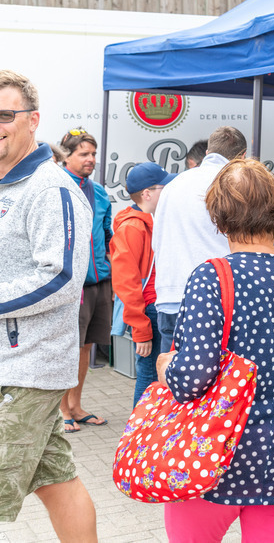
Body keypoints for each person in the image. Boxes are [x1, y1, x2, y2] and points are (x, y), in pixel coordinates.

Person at [156, 158, 274, 542]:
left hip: (218, 452)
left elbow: (191, 380)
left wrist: (166, 365)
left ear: (218, 219)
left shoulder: (211, 276)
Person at [0, 70, 97, 538]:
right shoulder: (0, 187)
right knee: (57, 480)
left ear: (33, 121)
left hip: (27, 368)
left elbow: (59, 276)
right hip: (7, 364)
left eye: (3, 114)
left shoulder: (51, 188)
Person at [152, 126, 246, 351]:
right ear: (242, 157)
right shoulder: (232, 184)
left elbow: (157, 242)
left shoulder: (173, 185)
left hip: (169, 297)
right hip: (214, 299)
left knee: (173, 380)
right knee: (220, 383)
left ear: (207, 154)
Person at [59, 127, 112, 430]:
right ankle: (62, 410)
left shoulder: (100, 191)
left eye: (93, 153)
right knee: (69, 346)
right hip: (70, 284)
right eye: (84, 154)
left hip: (98, 282)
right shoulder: (57, 187)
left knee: (87, 346)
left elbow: (107, 236)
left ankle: (76, 406)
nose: (91, 159)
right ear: (68, 156)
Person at [110, 162, 175, 406]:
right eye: (162, 187)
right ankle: (138, 437)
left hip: (155, 309)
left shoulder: (149, 221)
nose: (167, 191)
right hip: (149, 312)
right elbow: (126, 282)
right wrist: (141, 329)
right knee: (149, 376)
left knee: (156, 376)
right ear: (147, 194)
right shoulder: (133, 227)